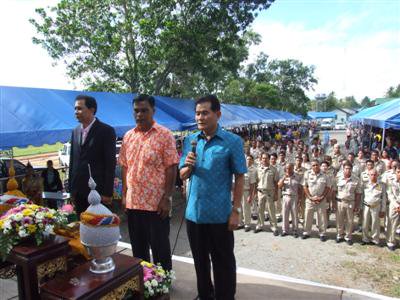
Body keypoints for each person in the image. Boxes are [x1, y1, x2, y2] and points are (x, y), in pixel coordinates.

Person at [179, 95, 246, 300]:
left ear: (218, 114)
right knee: (200, 260)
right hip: (194, 214)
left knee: (223, 261)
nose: (200, 117)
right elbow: (182, 174)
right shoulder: (190, 140)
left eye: (205, 113)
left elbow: (240, 176)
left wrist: (235, 211)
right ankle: (204, 294)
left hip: (219, 215)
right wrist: (188, 166)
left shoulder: (232, 141)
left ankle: (225, 296)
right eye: (198, 113)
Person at [119, 94, 179, 271]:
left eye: (144, 110)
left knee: (160, 249)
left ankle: (163, 284)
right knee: (138, 251)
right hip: (133, 204)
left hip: (156, 205)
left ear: (153, 110)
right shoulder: (128, 136)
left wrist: (167, 198)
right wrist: (124, 195)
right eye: (136, 111)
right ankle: (143, 282)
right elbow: (124, 166)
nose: (140, 114)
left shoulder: (165, 135)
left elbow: (171, 167)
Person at [68, 95, 116, 217]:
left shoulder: (106, 131)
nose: (76, 112)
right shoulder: (75, 131)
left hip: (97, 192)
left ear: (92, 109)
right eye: (75, 109)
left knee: (98, 229)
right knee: (82, 228)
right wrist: (71, 189)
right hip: (78, 192)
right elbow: (73, 161)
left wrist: (107, 192)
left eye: (79, 108)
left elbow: (110, 163)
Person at [335, 161, 362, 245]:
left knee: (350, 221)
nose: (348, 170)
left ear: (352, 169)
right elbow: (334, 190)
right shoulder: (338, 178)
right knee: (339, 220)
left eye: (350, 169)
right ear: (343, 169)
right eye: (346, 168)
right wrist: (332, 202)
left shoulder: (356, 179)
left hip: (351, 202)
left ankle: (348, 237)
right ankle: (339, 235)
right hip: (340, 202)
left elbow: (358, 193)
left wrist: (357, 205)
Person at [302, 160, 330, 241]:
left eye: (317, 165)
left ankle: (322, 233)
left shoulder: (325, 175)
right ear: (311, 166)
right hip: (310, 199)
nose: (315, 166)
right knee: (308, 216)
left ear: (319, 166)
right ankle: (306, 232)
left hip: (321, 199)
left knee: (322, 217)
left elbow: (328, 187)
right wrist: (310, 197)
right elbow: (305, 186)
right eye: (313, 165)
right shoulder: (307, 174)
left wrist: (322, 197)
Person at [255, 153, 279, 235]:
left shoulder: (274, 169)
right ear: (261, 159)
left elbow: (276, 183)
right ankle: (260, 225)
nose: (264, 160)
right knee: (260, 210)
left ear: (269, 159)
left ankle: (274, 227)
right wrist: (255, 193)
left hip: (270, 192)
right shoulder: (258, 169)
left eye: (266, 158)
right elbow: (256, 182)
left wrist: (276, 194)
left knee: (271, 210)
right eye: (263, 158)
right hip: (260, 192)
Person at [361, 169, 386, 246]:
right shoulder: (365, 184)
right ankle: (365, 239)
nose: (373, 176)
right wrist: (360, 207)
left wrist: (383, 209)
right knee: (365, 223)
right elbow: (361, 195)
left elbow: (384, 197)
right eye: (371, 174)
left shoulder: (381, 185)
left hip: (376, 206)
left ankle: (375, 239)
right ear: (369, 175)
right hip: (366, 206)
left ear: (377, 175)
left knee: (375, 223)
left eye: (375, 174)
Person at [278, 163, 300, 237]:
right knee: (285, 214)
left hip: (294, 197)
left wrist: (299, 199)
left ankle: (295, 230)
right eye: (287, 168)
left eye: (290, 168)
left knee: (295, 214)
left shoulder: (297, 176)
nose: (288, 170)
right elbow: (279, 186)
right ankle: (285, 230)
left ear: (293, 168)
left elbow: (300, 188)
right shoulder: (283, 176)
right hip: (285, 197)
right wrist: (284, 178)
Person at [240, 155, 257, 232]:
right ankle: (240, 223)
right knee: (238, 208)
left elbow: (252, 184)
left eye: (250, 159)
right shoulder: (241, 168)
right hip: (239, 191)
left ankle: (247, 224)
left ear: (252, 161)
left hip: (247, 191)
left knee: (246, 208)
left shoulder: (253, 170)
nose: (248, 161)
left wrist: (250, 195)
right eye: (247, 159)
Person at [386, 168, 400, 251]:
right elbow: (390, 194)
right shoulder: (391, 181)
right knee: (392, 224)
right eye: (398, 172)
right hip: (394, 205)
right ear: (396, 172)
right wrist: (397, 205)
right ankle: (391, 241)